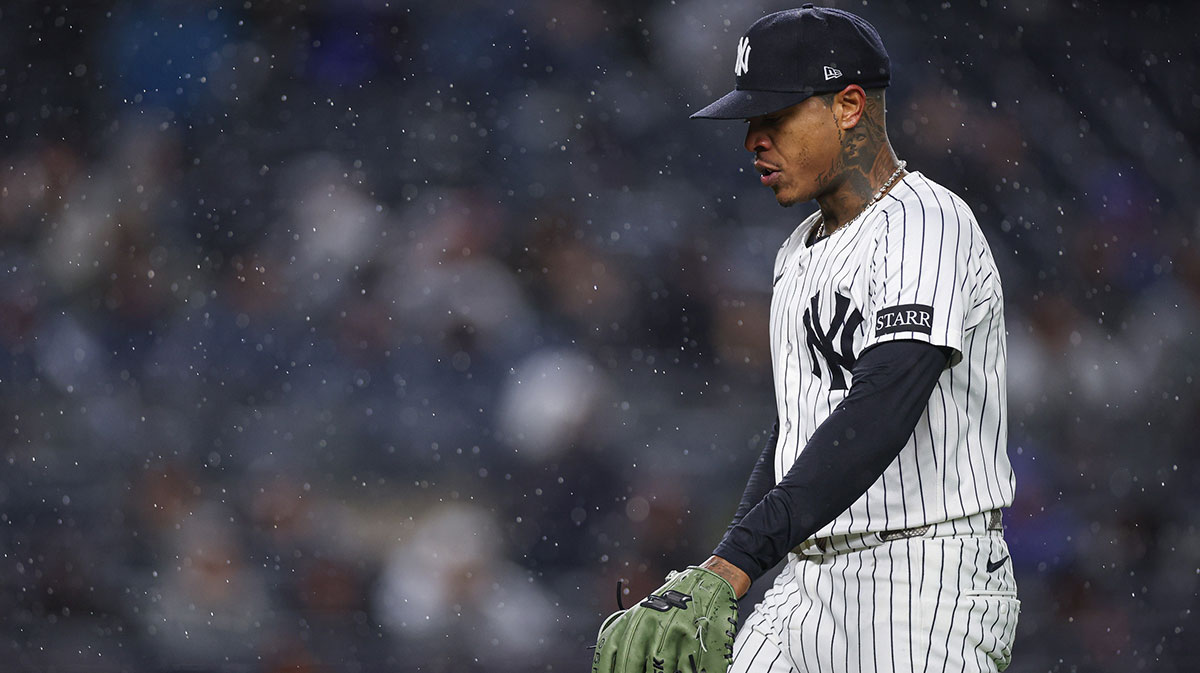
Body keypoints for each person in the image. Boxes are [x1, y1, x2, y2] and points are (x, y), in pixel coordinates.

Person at [593, 5, 1018, 673]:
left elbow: (882, 404)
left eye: (774, 119)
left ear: (849, 105)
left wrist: (735, 563)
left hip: (922, 579)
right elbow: (797, 431)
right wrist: (719, 563)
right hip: (806, 581)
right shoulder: (798, 252)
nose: (752, 140)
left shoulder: (929, 222)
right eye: (749, 122)